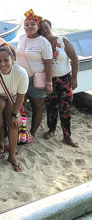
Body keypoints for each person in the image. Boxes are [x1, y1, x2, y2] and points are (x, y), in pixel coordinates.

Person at [0, 45, 29, 172]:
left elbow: (21, 95)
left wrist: (15, 114)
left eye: (6, 60)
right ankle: (0, 146)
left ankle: (12, 155)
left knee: (14, 123)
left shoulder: (21, 73)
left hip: (13, 97)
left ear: (13, 59)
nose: (2, 64)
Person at [39, 19, 79, 147]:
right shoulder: (42, 44)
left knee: (66, 109)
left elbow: (74, 59)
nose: (44, 31)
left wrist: (74, 78)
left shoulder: (62, 40)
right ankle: (51, 129)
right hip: (50, 81)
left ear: (50, 26)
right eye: (41, 30)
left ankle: (67, 136)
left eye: (46, 27)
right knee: (51, 108)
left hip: (65, 80)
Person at [16, 9, 53, 141]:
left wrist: (49, 83)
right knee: (19, 107)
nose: (29, 26)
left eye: (33, 24)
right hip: (21, 79)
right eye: (27, 24)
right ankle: (21, 132)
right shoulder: (21, 39)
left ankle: (32, 133)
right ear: (24, 27)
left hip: (36, 79)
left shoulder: (43, 41)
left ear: (38, 26)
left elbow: (49, 63)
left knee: (37, 107)